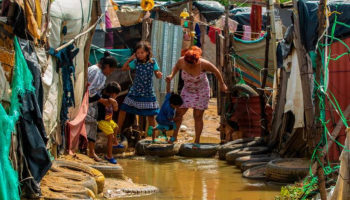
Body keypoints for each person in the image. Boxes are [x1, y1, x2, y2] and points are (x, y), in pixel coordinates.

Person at [165, 46, 228, 148]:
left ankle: (197, 141)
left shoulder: (204, 64)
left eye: (192, 65)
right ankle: (174, 137)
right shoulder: (181, 61)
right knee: (179, 113)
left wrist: (222, 84)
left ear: (197, 61)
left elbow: (216, 71)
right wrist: (171, 76)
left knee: (197, 116)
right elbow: (176, 67)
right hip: (187, 90)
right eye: (187, 65)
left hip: (201, 91)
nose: (189, 67)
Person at [117, 41, 163, 135]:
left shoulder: (152, 62)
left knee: (150, 115)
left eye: (142, 53)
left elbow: (157, 75)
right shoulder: (135, 62)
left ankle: (153, 138)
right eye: (137, 53)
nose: (139, 55)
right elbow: (124, 68)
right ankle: (117, 132)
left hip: (148, 92)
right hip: (135, 91)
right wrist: (130, 59)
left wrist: (159, 74)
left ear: (147, 52)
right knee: (123, 109)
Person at [86, 51, 118, 162]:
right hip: (87, 104)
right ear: (107, 66)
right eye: (111, 70)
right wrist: (102, 100)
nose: (110, 73)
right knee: (89, 127)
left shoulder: (100, 73)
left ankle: (91, 152)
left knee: (92, 128)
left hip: (93, 105)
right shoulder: (95, 71)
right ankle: (90, 152)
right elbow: (89, 90)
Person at [148, 78, 183, 143]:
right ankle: (172, 137)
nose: (178, 108)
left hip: (158, 118)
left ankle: (152, 128)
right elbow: (169, 118)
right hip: (165, 121)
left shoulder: (168, 99)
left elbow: (168, 90)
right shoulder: (170, 110)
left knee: (161, 125)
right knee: (174, 126)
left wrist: (168, 83)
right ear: (172, 104)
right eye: (177, 106)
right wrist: (177, 118)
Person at [97, 82, 122, 164]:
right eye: (116, 95)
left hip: (108, 120)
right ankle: (109, 156)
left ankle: (115, 142)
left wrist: (115, 105)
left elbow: (115, 109)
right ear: (113, 94)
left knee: (116, 127)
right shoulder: (105, 98)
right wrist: (113, 101)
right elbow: (109, 100)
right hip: (102, 121)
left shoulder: (112, 99)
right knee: (110, 137)